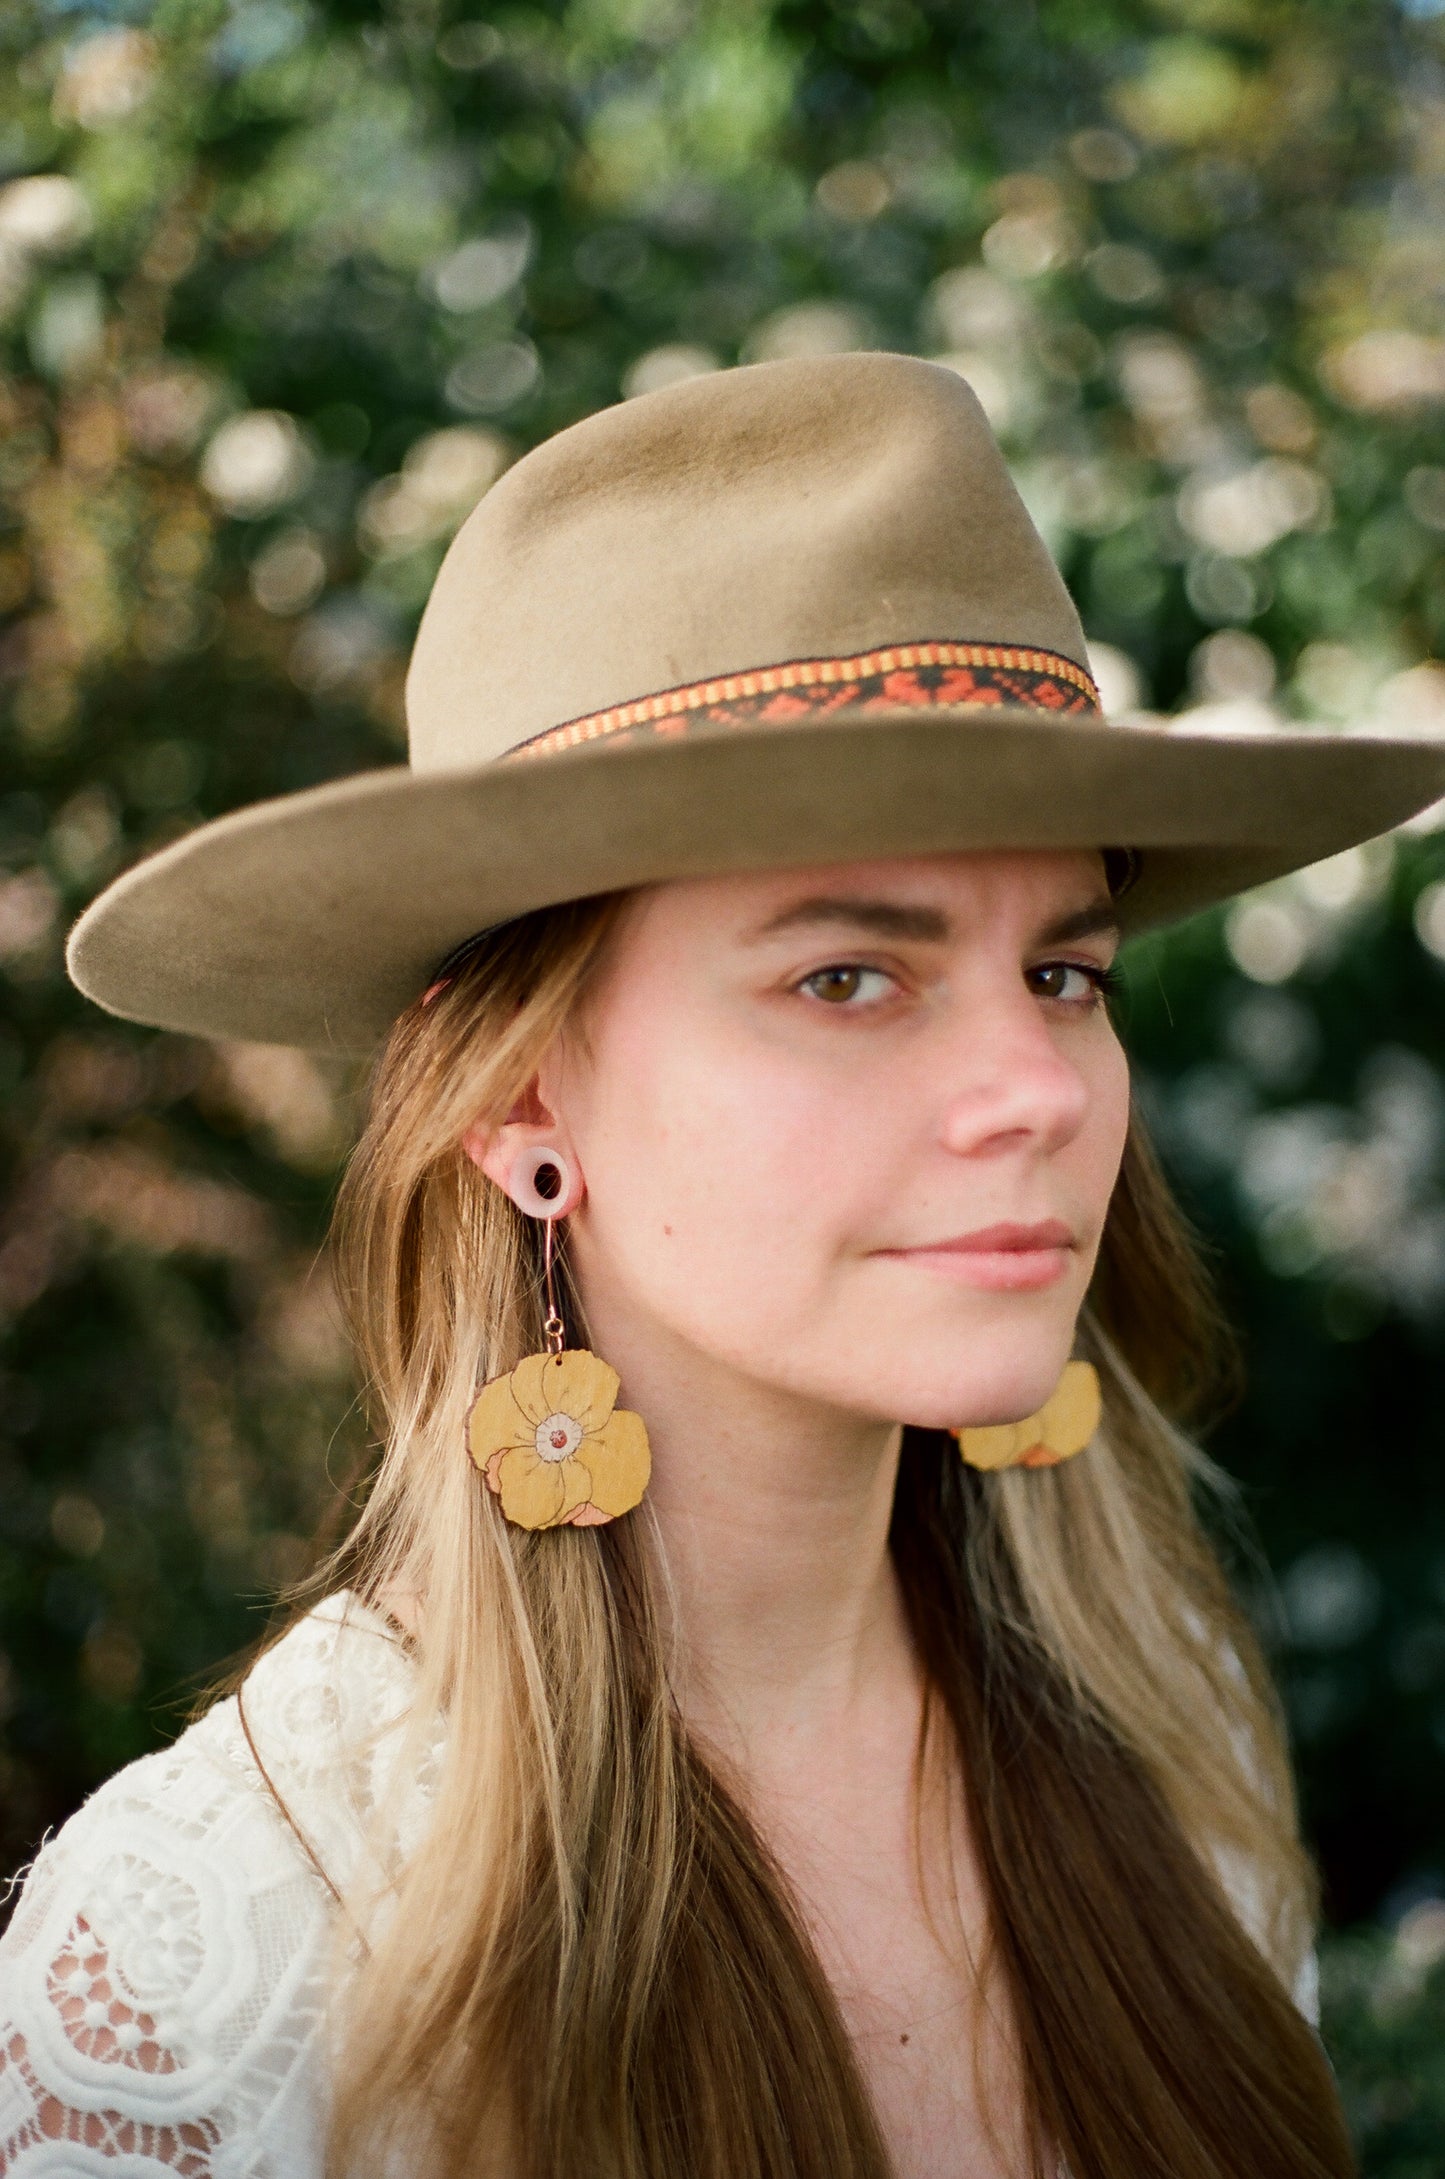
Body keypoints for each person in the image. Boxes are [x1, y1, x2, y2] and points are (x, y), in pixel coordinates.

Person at [1, 354, 1439, 2179]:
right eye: (847, 975)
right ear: (520, 1101)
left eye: (1064, 973)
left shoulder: (1167, 1723)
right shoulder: (240, 1940)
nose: (1032, 1091)